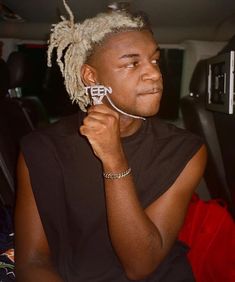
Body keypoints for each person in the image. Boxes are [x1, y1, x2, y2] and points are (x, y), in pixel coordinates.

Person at [14, 0, 207, 281]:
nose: (155, 73)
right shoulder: (41, 148)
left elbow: (141, 266)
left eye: (154, 59)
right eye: (132, 63)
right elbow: (32, 261)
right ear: (91, 77)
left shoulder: (185, 149)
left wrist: (113, 158)